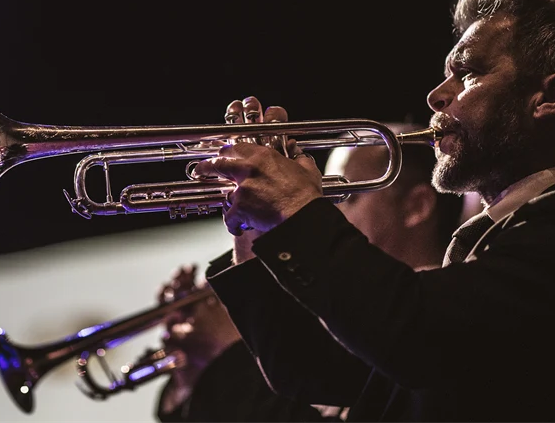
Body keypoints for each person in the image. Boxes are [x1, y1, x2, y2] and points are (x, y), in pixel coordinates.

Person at [191, 0, 555, 423]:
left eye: (468, 73)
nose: (437, 95)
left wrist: (296, 207)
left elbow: (415, 334)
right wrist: (254, 223)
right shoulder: (502, 238)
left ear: (550, 96)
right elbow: (310, 368)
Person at [155, 127, 465, 422]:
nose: (325, 212)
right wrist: (195, 374)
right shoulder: (338, 312)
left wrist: (226, 353)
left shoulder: (433, 322)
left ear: (416, 206)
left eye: (345, 196)